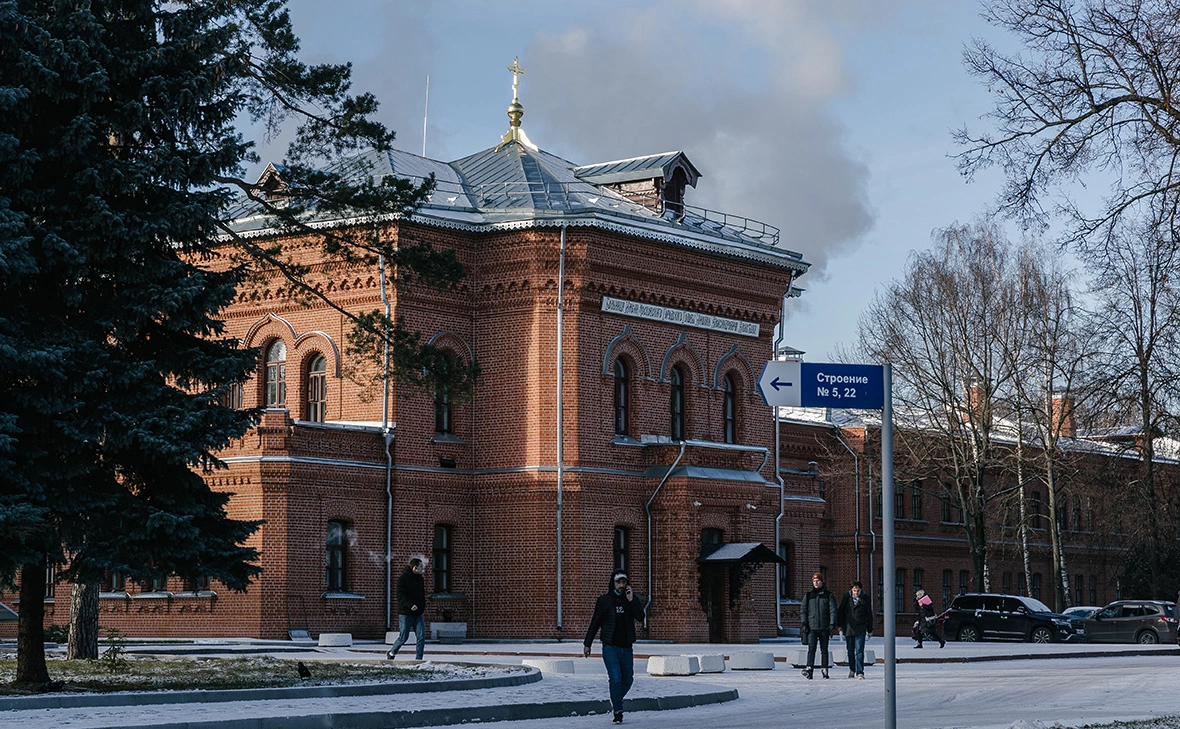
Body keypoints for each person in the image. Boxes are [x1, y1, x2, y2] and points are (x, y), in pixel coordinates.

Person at [583, 570, 646, 725]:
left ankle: (616, 699)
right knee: (616, 678)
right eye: (618, 582)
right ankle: (618, 711)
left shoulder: (630, 600)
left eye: (624, 582)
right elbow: (595, 622)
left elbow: (641, 617)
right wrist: (587, 643)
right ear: (613, 583)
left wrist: (632, 600)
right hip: (610, 647)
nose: (621, 585)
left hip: (627, 647)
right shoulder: (604, 600)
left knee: (628, 679)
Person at [387, 557, 427, 660]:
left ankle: (419, 658)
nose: (422, 569)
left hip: (418, 613)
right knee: (403, 637)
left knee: (421, 636)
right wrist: (410, 605)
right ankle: (392, 652)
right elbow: (401, 596)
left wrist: (422, 606)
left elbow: (421, 594)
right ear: (415, 568)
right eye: (420, 567)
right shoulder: (403, 579)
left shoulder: (420, 579)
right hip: (406, 613)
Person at [800, 571, 837, 679]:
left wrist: (832, 623)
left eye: (818, 581)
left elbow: (833, 610)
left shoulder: (828, 595)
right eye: (814, 581)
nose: (816, 583)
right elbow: (803, 610)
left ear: (822, 582)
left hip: (824, 627)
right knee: (811, 649)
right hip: (812, 627)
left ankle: (824, 669)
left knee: (824, 649)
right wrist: (804, 623)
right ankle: (809, 668)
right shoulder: (808, 596)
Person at [837, 580, 873, 679]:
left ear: (861, 590)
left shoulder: (865, 599)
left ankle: (860, 671)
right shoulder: (846, 598)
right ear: (851, 590)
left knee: (859, 651)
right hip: (849, 628)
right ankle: (852, 669)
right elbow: (840, 612)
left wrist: (870, 629)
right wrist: (840, 625)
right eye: (854, 590)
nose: (856, 593)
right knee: (850, 651)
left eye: (858, 591)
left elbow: (869, 614)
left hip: (860, 628)